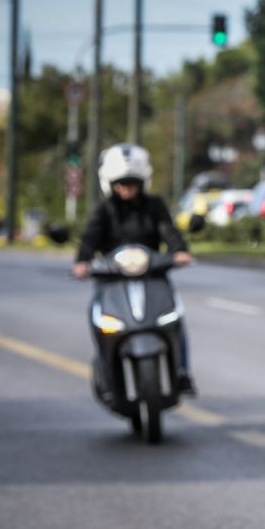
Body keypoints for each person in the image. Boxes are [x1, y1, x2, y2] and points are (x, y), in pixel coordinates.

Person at [74, 143, 197, 394]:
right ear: (110, 183)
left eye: (132, 183)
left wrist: (179, 252)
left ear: (143, 182)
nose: (127, 189)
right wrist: (82, 261)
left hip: (152, 275)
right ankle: (107, 372)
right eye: (121, 183)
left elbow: (169, 231)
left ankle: (182, 371)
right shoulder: (104, 209)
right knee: (98, 316)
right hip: (112, 278)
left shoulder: (154, 206)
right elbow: (90, 238)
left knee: (173, 318)